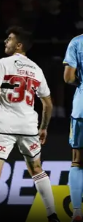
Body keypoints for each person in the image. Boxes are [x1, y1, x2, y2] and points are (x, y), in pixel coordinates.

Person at [0, 27, 59, 222]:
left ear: (19, 45)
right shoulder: (36, 69)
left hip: (4, 125)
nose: (6, 41)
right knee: (37, 169)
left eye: (10, 39)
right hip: (29, 126)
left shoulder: (2, 63)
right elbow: (47, 103)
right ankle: (52, 214)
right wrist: (44, 127)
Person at [63, 35, 83, 221]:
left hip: (82, 108)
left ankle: (77, 212)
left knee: (78, 160)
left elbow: (68, 78)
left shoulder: (77, 42)